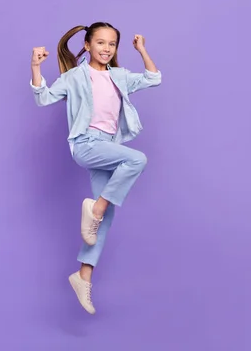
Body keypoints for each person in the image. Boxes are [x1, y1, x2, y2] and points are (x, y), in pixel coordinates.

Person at [29, 22, 162, 314]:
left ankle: (83, 275)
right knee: (136, 159)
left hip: (107, 146)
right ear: (87, 45)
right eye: (100, 43)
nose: (106, 49)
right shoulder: (75, 76)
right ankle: (96, 208)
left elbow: (154, 78)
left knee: (105, 220)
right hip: (86, 144)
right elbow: (43, 98)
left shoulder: (120, 77)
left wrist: (141, 50)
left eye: (112, 44)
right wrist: (36, 68)